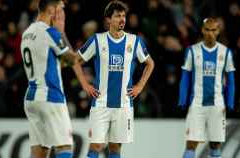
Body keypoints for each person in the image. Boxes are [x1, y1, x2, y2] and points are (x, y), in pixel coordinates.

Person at [72, 1, 154, 158]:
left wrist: (140, 86)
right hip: (100, 102)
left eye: (124, 16)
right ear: (108, 19)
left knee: (115, 148)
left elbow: (150, 63)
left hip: (124, 103)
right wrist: (84, 84)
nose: (122, 19)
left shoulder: (134, 41)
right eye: (118, 16)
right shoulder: (97, 40)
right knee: (95, 146)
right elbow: (75, 60)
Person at [20, 0, 78, 158]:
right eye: (60, 10)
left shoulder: (27, 33)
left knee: (40, 150)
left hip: (31, 98)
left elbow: (52, 62)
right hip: (50, 96)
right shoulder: (49, 32)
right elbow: (73, 60)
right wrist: (62, 32)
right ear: (52, 10)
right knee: (64, 145)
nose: (61, 14)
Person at [178, 17, 235, 158]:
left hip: (217, 105)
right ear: (203, 30)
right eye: (207, 30)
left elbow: (231, 80)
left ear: (218, 31)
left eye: (213, 30)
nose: (210, 33)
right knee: (191, 143)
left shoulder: (225, 52)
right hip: (196, 104)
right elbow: (185, 77)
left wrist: (230, 102)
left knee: (215, 144)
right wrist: (182, 99)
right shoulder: (192, 51)